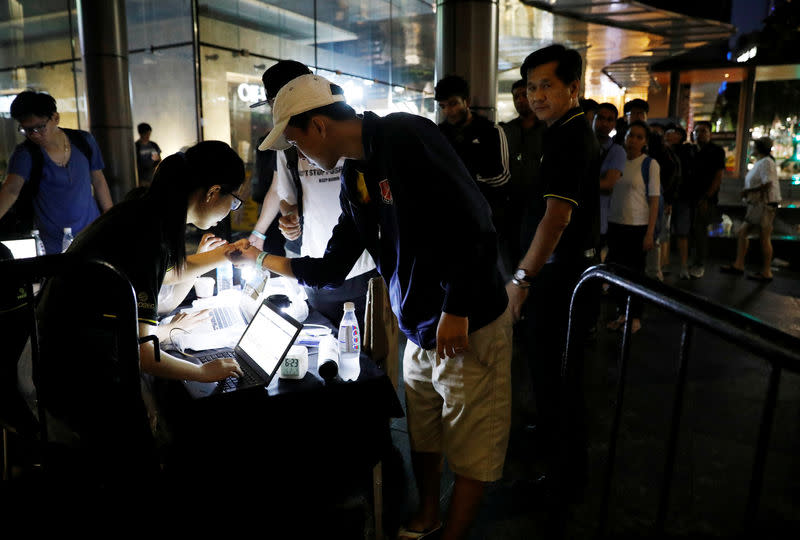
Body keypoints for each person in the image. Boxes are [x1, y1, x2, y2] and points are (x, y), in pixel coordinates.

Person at [241, 72, 511, 540]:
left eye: (297, 141)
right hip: (420, 327)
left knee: (472, 445)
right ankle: (427, 515)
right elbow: (332, 264)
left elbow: (475, 220)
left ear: (320, 126)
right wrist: (263, 259)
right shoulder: (354, 172)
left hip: (467, 321)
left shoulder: (405, 134)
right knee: (424, 431)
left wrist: (457, 309)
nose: (299, 154)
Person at [34, 141, 248, 475]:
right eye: (234, 201)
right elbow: (145, 354)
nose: (231, 210)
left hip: (59, 357)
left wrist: (223, 254)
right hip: (81, 375)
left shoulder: (145, 211)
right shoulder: (149, 233)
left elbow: (165, 271)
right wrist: (203, 372)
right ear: (213, 192)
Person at [506, 44, 600, 508]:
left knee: (558, 378)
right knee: (548, 377)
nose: (537, 95)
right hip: (556, 275)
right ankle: (552, 454)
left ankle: (563, 481)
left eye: (547, 85)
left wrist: (522, 279)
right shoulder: (560, 131)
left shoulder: (570, 136)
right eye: (531, 86)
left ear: (573, 88)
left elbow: (557, 218)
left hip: (561, 280)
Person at [0, 91, 113, 254]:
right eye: (27, 130)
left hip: (92, 237)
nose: (34, 135)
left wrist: (110, 219)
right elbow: (10, 190)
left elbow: (99, 181)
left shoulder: (83, 141)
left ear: (55, 118)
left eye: (39, 127)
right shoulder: (25, 154)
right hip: (53, 247)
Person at [435, 75, 511, 274]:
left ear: (467, 102)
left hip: (488, 222)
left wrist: (464, 178)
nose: (448, 111)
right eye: (443, 106)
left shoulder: (491, 131)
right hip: (451, 223)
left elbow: (503, 177)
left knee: (496, 278)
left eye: (453, 104)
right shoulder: (438, 134)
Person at [604, 121, 660, 334]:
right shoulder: (616, 160)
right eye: (630, 136)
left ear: (645, 142)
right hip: (615, 224)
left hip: (637, 227)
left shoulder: (650, 164)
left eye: (639, 137)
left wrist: (650, 233)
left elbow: (654, 200)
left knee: (635, 275)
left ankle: (635, 316)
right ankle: (621, 313)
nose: (633, 140)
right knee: (616, 272)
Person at [720, 136, 781, 282]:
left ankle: (764, 271)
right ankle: (740, 264)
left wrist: (748, 192)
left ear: (758, 149)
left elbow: (767, 183)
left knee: (761, 236)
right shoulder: (763, 162)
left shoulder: (766, 162)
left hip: (763, 205)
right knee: (746, 233)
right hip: (759, 205)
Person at [501, 78, 545, 277]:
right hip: (510, 206)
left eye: (523, 95)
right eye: (516, 97)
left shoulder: (547, 130)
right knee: (511, 257)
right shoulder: (506, 130)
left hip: (538, 206)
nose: (520, 100)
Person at [673, 121, 725, 279]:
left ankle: (699, 263)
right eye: (697, 131)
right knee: (686, 230)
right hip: (687, 197)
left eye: (703, 131)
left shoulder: (716, 151)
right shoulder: (689, 150)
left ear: (710, 134)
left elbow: (718, 176)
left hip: (705, 198)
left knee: (700, 231)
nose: (700, 134)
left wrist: (707, 197)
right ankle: (687, 262)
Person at [594, 102, 627, 261]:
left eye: (609, 119)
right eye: (600, 118)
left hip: (599, 220)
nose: (604, 123)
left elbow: (608, 183)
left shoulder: (617, 151)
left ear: (614, 123)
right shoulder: (581, 145)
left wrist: (576, 184)